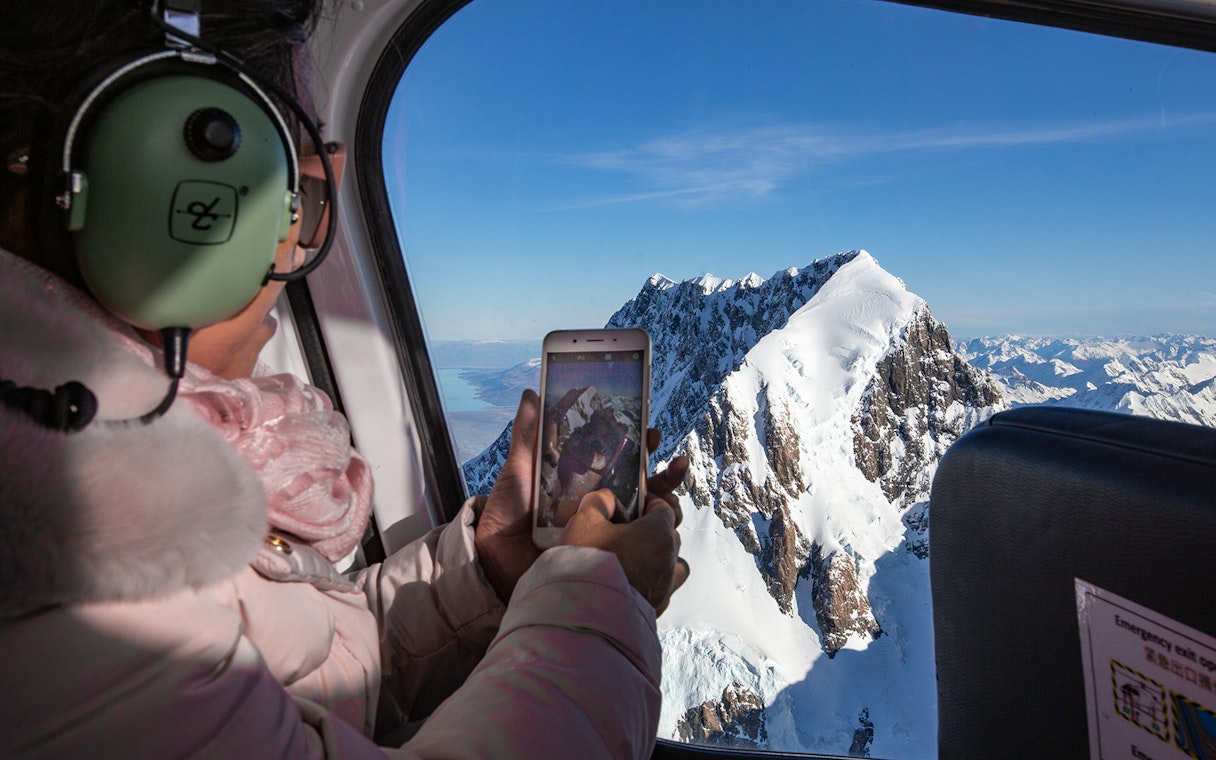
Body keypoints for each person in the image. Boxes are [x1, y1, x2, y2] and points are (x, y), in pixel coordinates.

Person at [0, 1, 690, 757]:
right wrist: (595, 602)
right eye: (291, 190)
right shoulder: (75, 560)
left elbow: (305, 676)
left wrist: (491, 573)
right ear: (170, 196)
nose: (302, 246)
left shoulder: (97, 498)